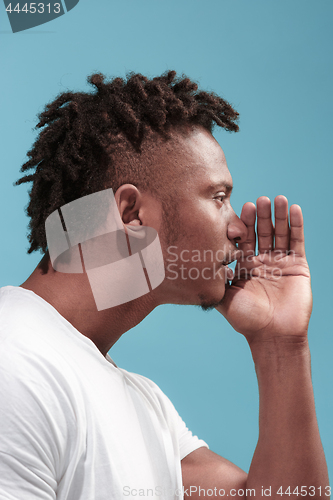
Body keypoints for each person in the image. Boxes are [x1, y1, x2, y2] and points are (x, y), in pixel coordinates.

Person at [0, 71, 329, 499]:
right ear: (131, 213)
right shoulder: (16, 363)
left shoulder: (143, 403)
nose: (238, 229)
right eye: (217, 197)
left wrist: (280, 345)